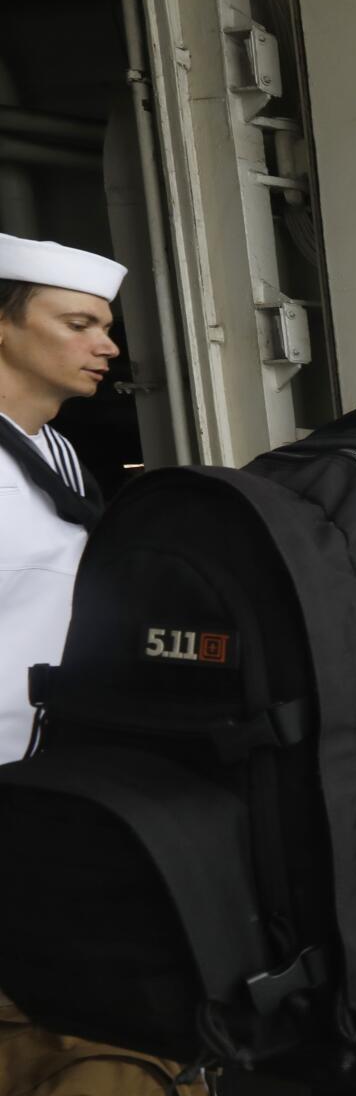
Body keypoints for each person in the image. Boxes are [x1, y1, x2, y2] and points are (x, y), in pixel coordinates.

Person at [0, 234, 123, 760]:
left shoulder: (59, 454)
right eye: (78, 325)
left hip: (46, 760)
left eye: (107, 329)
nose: (109, 347)